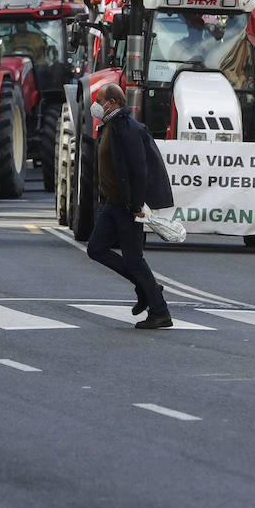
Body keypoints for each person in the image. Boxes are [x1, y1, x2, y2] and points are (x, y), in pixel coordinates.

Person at [86, 83, 175, 328]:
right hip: (112, 204)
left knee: (134, 260)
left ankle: (160, 311)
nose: (96, 105)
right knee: (96, 249)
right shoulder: (110, 126)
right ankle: (147, 286)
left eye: (99, 99)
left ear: (112, 103)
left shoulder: (127, 129)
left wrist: (136, 205)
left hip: (127, 206)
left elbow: (138, 170)